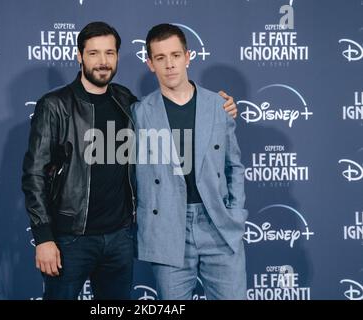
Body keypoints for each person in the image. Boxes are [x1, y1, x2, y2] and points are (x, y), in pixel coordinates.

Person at [22, 21, 238, 300]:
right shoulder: (55, 105)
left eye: (109, 53)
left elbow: (173, 110)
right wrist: (43, 236)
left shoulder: (127, 102)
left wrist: (218, 105)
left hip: (119, 238)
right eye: (93, 53)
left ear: (117, 57)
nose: (102, 61)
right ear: (79, 56)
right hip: (71, 238)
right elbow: (34, 174)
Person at [132, 23, 247, 300]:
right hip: (168, 226)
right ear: (150, 63)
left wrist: (236, 212)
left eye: (175, 55)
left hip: (218, 222)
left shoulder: (219, 106)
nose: (169, 64)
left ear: (188, 56)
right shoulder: (139, 113)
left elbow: (234, 166)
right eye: (160, 58)